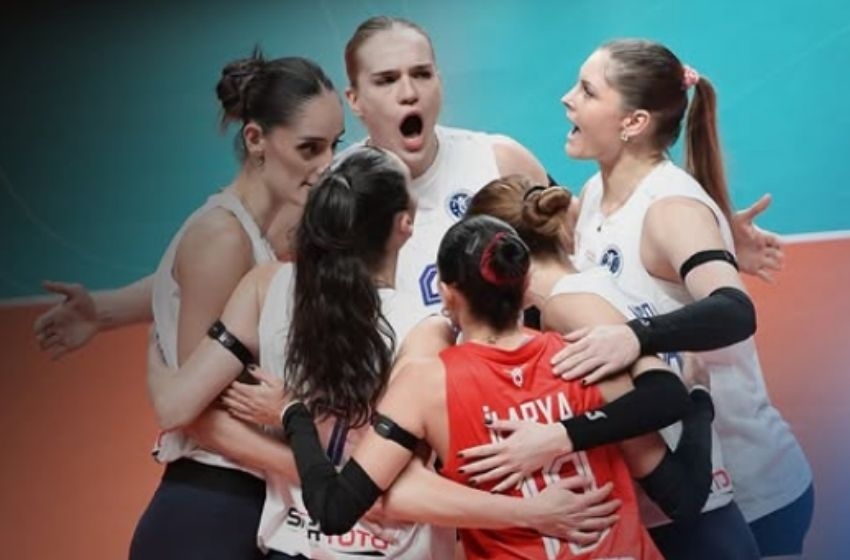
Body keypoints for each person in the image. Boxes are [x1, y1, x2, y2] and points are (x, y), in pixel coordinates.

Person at [147, 147, 619, 559]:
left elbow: (180, 409)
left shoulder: (264, 288)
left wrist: (157, 360)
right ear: (405, 225)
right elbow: (387, 491)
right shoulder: (425, 328)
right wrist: (529, 512)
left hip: (293, 544)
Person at [272, 215, 726, 559]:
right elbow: (684, 496)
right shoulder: (587, 360)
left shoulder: (424, 385)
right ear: (526, 285)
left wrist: (294, 415)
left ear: (446, 293)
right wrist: (699, 401)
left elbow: (333, 510)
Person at [546, 39, 812, 559]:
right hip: (684, 486)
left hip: (749, 493)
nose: (567, 98)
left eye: (587, 91)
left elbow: (734, 310)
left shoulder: (671, 209)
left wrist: (635, 337)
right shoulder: (596, 194)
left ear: (633, 122)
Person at [463, 175, 760, 559]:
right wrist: (700, 399)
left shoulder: (567, 308)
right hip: (713, 517)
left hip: (689, 534)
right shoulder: (599, 280)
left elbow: (679, 491)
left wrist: (555, 437)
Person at [124, 51, 345, 560]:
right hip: (210, 511)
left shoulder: (258, 234)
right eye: (309, 148)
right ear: (255, 139)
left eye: (334, 145)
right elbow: (198, 416)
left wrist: (102, 310)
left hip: (247, 503)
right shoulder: (222, 237)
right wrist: (321, 472)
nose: (326, 165)